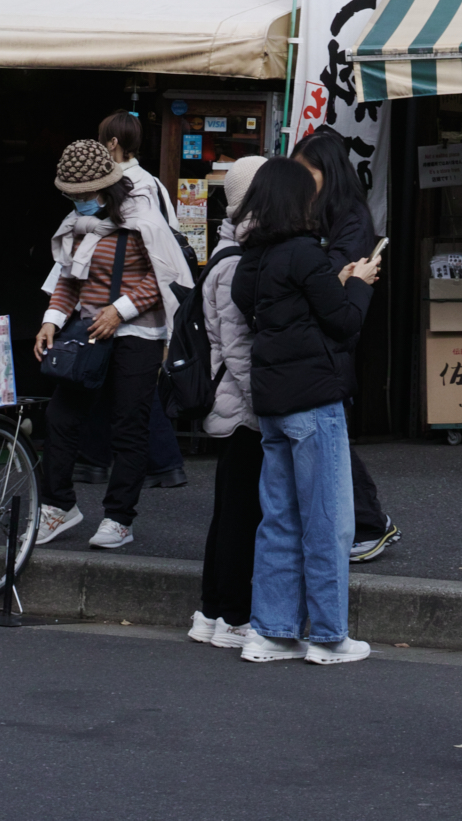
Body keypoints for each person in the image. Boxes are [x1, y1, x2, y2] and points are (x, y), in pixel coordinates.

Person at [233, 156, 379, 666]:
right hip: (314, 400)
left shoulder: (249, 259)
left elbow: (288, 311)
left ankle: (270, 631)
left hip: (271, 400)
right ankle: (330, 635)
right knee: (327, 520)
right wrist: (359, 282)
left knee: (278, 520)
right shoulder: (303, 253)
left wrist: (334, 280)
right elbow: (342, 322)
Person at [33, 139, 194, 551]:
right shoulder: (77, 223)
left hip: (137, 335)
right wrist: (52, 320)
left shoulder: (141, 215)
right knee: (61, 417)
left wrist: (119, 310)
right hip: (89, 329)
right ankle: (57, 506)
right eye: (73, 196)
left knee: (129, 426)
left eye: (84, 196)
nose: (79, 203)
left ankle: (119, 518)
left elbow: (163, 276)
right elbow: (69, 277)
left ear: (106, 188)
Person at [293, 124, 401, 563]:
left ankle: (372, 524)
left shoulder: (352, 217)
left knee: (329, 432)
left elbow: (336, 277)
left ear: (328, 172)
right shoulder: (316, 212)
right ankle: (358, 523)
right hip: (318, 331)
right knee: (322, 432)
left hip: (336, 332)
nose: (301, 181)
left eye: (307, 172)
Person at [73, 110, 189, 491]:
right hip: (124, 300)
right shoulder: (153, 181)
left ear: (112, 144)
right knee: (114, 386)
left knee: (130, 394)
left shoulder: (130, 184)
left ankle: (153, 465)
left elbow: (154, 246)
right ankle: (99, 461)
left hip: (129, 299)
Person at [191, 154, 267, 652]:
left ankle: (212, 611)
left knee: (229, 511)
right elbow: (238, 349)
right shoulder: (236, 260)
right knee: (241, 513)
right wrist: (266, 403)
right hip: (241, 408)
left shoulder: (227, 252)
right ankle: (232, 614)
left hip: (232, 404)